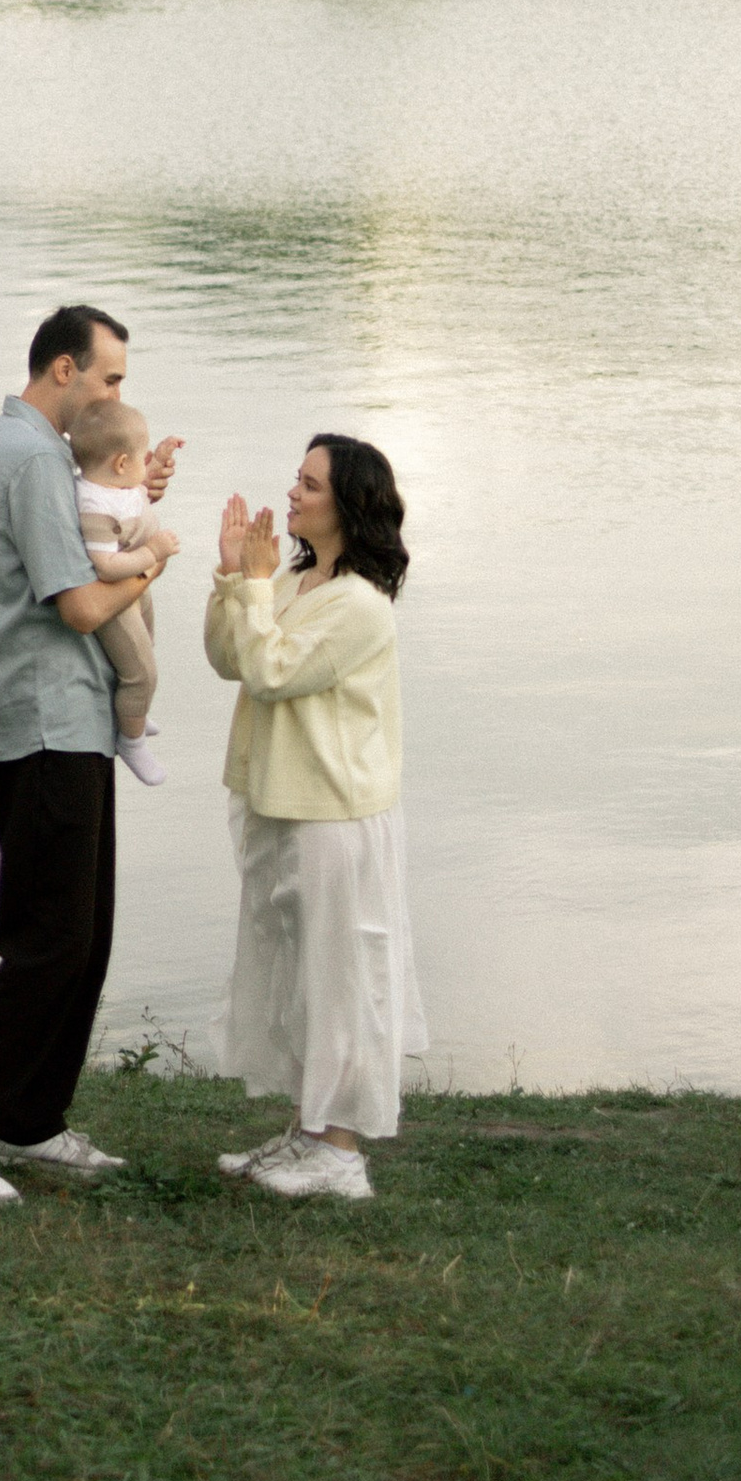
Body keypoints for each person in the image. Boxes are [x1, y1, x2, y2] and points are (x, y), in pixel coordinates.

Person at [0, 304, 181, 1209]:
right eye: (110, 377)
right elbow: (84, 605)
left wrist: (134, 492)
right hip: (41, 718)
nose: (116, 392)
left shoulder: (43, 455)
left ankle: (31, 1115)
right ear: (65, 368)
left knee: (84, 934)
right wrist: (155, 561)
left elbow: (90, 531)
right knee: (49, 940)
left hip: (68, 718)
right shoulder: (27, 458)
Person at [204, 433, 425, 1206]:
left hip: (333, 810)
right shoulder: (294, 580)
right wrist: (235, 577)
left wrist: (252, 588)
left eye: (310, 484)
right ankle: (308, 1130)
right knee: (296, 975)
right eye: (296, 478)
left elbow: (272, 671)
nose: (293, 493)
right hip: (279, 798)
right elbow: (230, 658)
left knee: (340, 977)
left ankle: (341, 1154)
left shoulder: (360, 605)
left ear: (349, 504)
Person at [68, 397, 169, 787]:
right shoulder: (94, 507)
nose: (146, 465)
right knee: (141, 670)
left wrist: (156, 462)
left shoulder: (112, 483)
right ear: (121, 464)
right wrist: (152, 554)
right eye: (142, 457)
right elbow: (106, 566)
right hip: (115, 596)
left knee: (146, 647)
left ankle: (136, 713)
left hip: (135, 587)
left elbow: (135, 491)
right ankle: (131, 741)